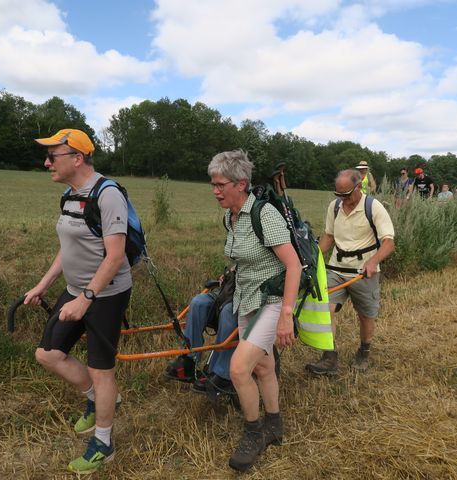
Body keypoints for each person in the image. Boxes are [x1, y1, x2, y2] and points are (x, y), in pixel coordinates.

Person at [23, 128, 131, 474]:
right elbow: (68, 247)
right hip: (76, 289)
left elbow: (114, 257)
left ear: (77, 158)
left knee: (102, 369)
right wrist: (43, 284)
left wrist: (86, 299)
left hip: (106, 292)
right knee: (47, 353)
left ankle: (103, 443)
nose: (46, 162)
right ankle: (98, 400)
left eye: (52, 156)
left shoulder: (108, 194)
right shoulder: (70, 195)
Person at [208, 149, 299, 472]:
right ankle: (275, 424)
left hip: (272, 301)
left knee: (238, 369)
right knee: (263, 367)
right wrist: (230, 274)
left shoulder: (264, 215)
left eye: (221, 184)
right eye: (213, 184)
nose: (215, 190)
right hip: (247, 299)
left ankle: (254, 433)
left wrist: (287, 313)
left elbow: (293, 265)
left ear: (241, 183)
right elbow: (245, 256)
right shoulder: (230, 217)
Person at [305, 169, 395, 375]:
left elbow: (388, 243)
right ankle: (329, 357)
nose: (343, 199)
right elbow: (329, 236)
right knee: (325, 310)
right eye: (339, 195)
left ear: (358, 187)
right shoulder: (335, 207)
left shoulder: (373, 207)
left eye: (346, 194)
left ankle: (364, 351)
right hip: (336, 268)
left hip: (364, 271)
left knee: (365, 316)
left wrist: (373, 261)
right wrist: (312, 256)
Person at [164, 269, 237, 395]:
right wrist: (230, 272)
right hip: (228, 291)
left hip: (247, 297)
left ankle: (221, 374)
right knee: (199, 302)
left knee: (227, 312)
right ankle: (189, 360)